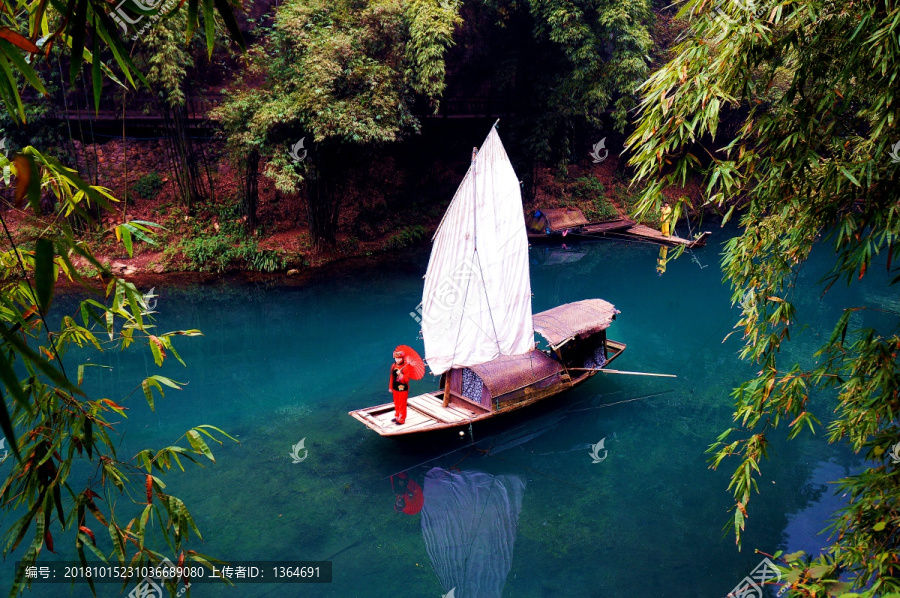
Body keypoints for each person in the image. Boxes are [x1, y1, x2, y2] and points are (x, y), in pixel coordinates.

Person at [389, 349, 410, 424]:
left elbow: (406, 380)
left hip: (403, 388)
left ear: (402, 358)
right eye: (396, 358)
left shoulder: (406, 367)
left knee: (402, 403)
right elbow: (391, 377)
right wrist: (390, 387)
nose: (397, 360)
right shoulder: (393, 366)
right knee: (396, 403)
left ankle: (402, 419)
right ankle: (397, 416)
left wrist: (400, 374)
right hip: (395, 387)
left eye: (399, 358)